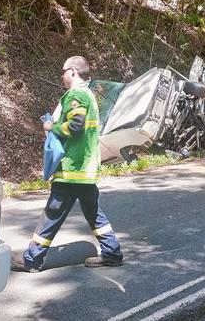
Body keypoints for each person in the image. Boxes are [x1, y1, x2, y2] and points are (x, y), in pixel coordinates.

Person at [11, 56, 123, 272]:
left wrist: (51, 127)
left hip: (73, 167)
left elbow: (76, 125)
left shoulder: (77, 94)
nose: (61, 76)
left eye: (62, 72)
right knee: (93, 212)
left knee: (53, 212)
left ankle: (32, 259)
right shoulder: (87, 94)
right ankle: (112, 252)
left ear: (72, 71)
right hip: (85, 168)